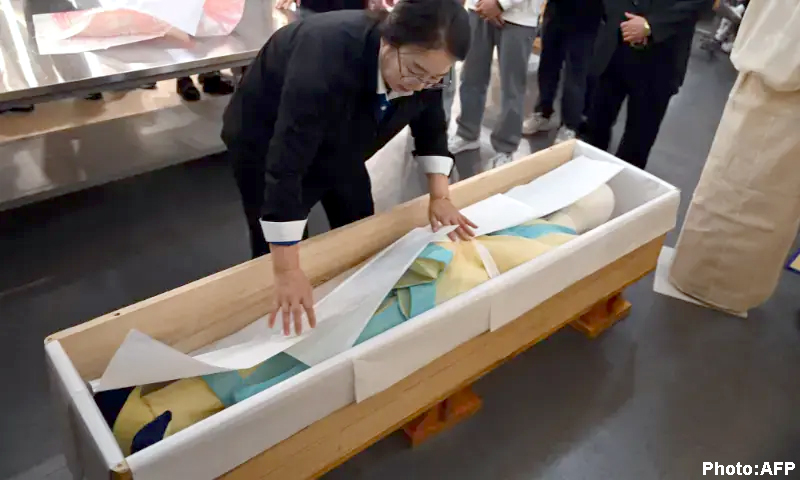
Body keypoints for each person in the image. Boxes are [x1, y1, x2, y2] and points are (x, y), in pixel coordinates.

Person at [222, 0, 477, 336]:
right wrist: (287, 270)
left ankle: (355, 309)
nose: (419, 85)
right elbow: (286, 164)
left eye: (435, 78)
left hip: (344, 136)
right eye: (415, 71)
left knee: (357, 217)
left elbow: (431, 126)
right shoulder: (325, 56)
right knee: (278, 237)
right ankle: (272, 328)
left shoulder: (426, 71)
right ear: (389, 40)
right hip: (266, 137)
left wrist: (440, 196)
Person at [669, 0, 800, 315]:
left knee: (758, 196)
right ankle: (712, 280)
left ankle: (723, 282)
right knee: (737, 188)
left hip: (778, 95)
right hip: (768, 87)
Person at [583, 0, 712, 170]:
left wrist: (651, 25)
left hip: (661, 58)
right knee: (594, 131)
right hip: (615, 45)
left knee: (636, 146)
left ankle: (623, 185)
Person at [447, 0, 544, 169]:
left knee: (512, 87)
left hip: (520, 16)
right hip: (479, 9)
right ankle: (467, 133)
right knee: (471, 76)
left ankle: (506, 147)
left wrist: (500, 4)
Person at [521, 0, 603, 144]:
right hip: (556, 10)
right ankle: (543, 112)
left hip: (587, 16)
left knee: (575, 74)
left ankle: (570, 125)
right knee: (547, 65)